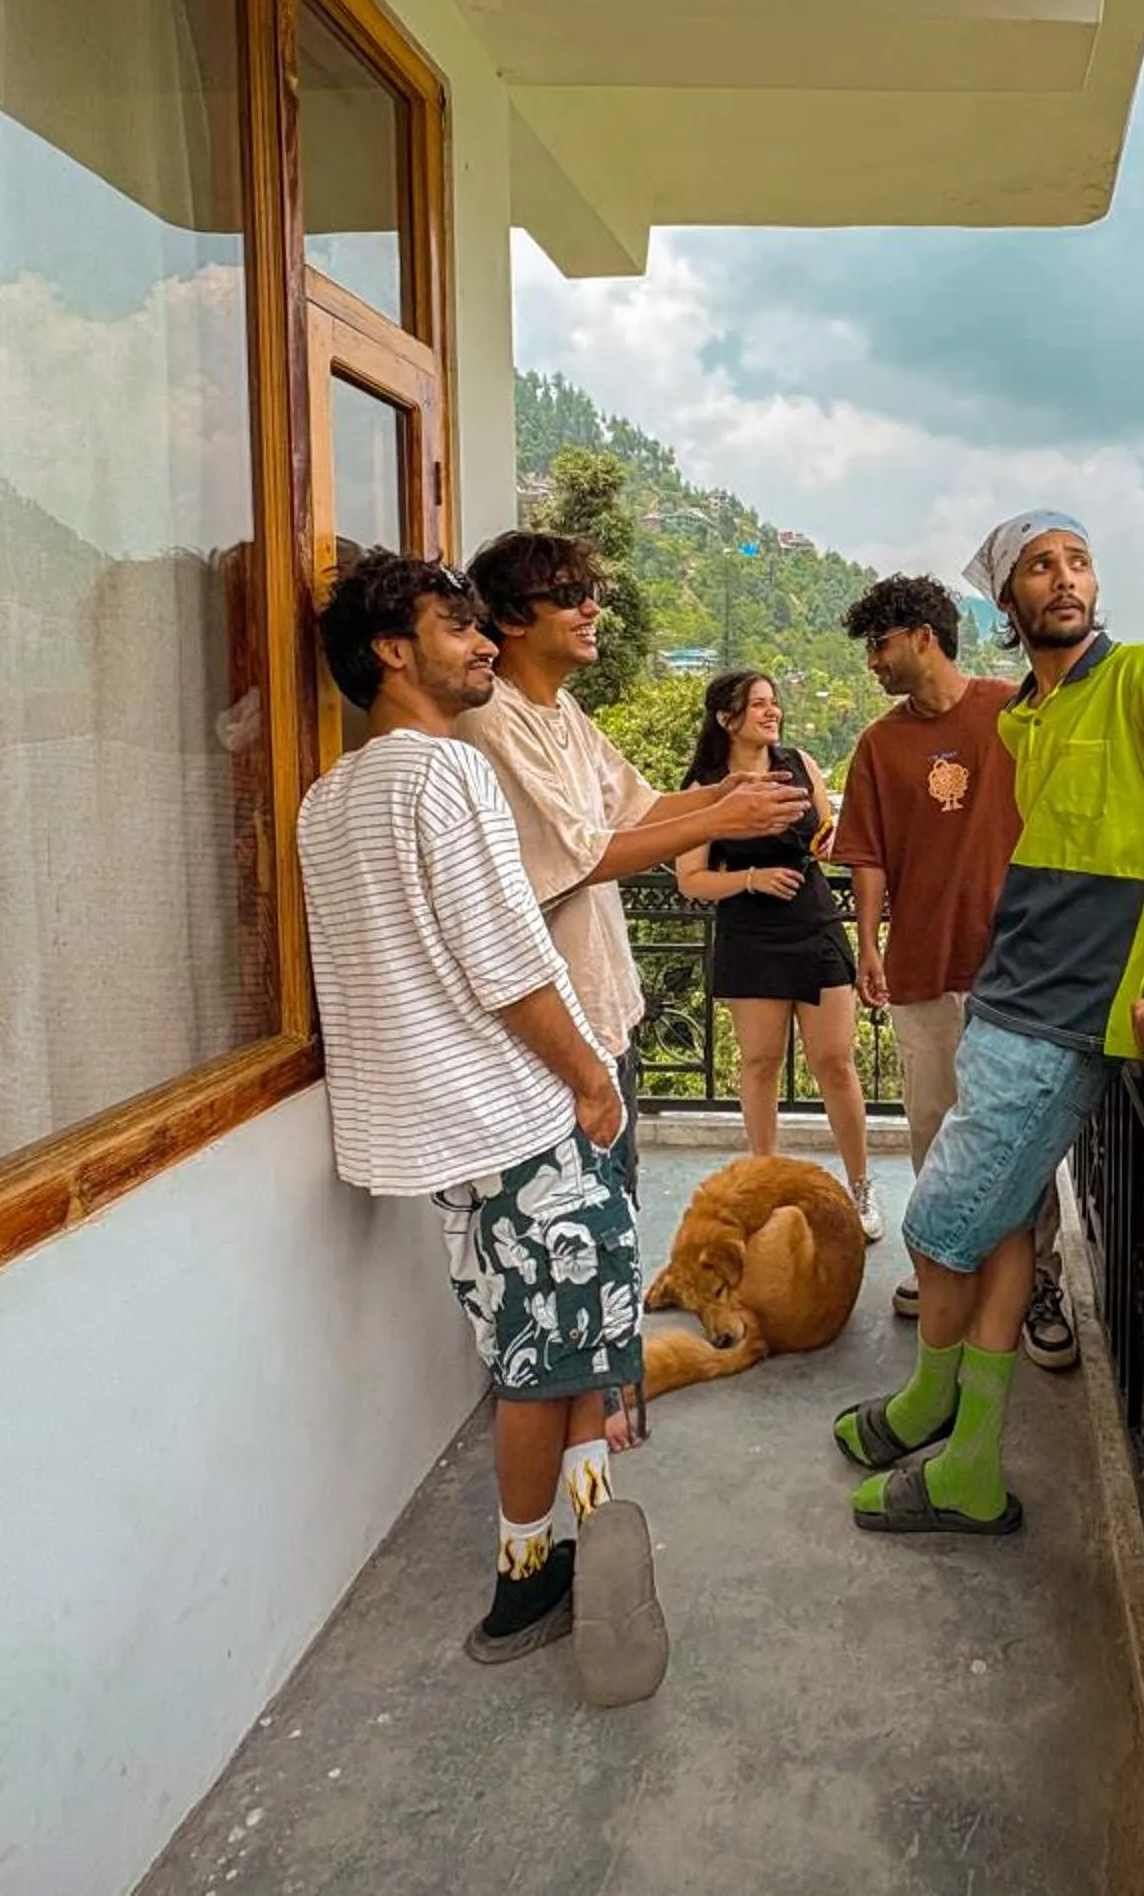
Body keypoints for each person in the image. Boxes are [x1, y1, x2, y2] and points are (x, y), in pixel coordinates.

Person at [835, 514, 1144, 1535]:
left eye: (1078, 561)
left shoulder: (1141, 678)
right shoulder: (1027, 718)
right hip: (1004, 996)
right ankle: (956, 1440)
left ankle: (947, 1428)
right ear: (1009, 602)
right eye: (1041, 566)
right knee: (992, 1235)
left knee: (938, 1230)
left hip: (1062, 1024)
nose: (1066, 578)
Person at [294, 551, 667, 1704]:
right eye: (458, 625)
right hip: (517, 1109)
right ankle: (529, 1583)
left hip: (434, 1127)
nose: (484, 644)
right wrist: (591, 1079)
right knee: (550, 1358)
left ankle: (581, 1543)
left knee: (542, 1344)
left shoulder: (327, 798)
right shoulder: (443, 777)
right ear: (392, 652)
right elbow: (510, 960)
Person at [454, 529, 811, 1214]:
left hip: (606, 1014)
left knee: (613, 1219)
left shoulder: (563, 710)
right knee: (571, 1234)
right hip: (548, 1032)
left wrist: (725, 794)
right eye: (568, 596)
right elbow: (583, 854)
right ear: (510, 618)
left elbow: (638, 808)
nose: (591, 610)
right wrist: (717, 821)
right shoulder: (493, 721)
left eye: (594, 594)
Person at [830, 574, 1077, 1370]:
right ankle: (945, 1271)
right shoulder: (879, 744)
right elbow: (865, 854)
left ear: (924, 638)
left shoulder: (1014, 712)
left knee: (1016, 1139)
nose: (873, 662)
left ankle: (1039, 1280)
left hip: (1017, 973)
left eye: (881, 645)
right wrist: (868, 944)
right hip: (921, 968)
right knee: (935, 1132)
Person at [672, 670, 883, 1239]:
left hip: (814, 921)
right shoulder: (708, 786)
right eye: (758, 705)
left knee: (835, 1061)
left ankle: (861, 1189)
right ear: (726, 718)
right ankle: (764, 1188)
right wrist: (751, 878)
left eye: (773, 703)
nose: (772, 712)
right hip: (751, 930)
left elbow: (829, 834)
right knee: (761, 1064)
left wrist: (833, 843)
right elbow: (690, 879)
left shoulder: (800, 763)